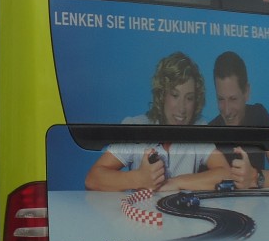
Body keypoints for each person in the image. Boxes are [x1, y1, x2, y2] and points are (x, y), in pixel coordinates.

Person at [85, 52, 230, 192]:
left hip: (181, 217)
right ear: (162, 95)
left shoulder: (198, 128)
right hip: (141, 215)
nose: (182, 108)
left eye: (189, 98)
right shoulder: (136, 126)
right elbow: (93, 179)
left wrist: (176, 183)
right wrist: (138, 179)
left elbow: (226, 173)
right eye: (175, 95)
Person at [209, 51, 269, 189]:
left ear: (247, 92)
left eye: (233, 99)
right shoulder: (209, 130)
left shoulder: (258, 115)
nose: (227, 110)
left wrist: (255, 178)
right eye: (221, 99)